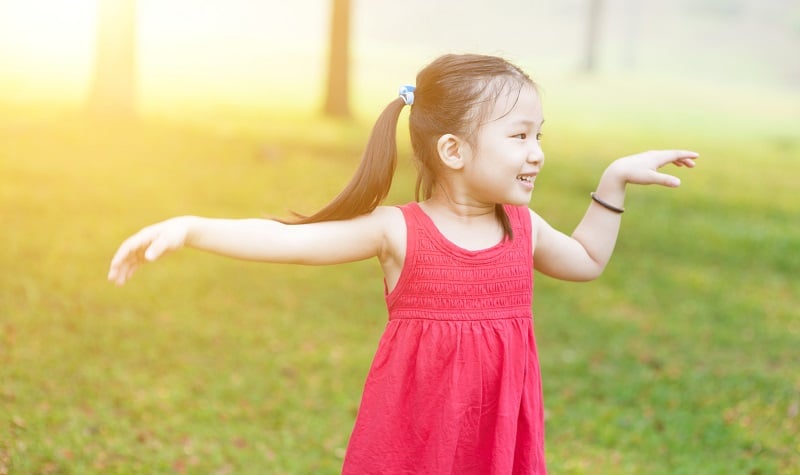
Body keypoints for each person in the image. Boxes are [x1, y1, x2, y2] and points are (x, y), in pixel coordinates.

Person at [108, 53, 697, 474]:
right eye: (519, 136)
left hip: (496, 446)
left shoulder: (523, 228)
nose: (537, 153)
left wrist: (612, 182)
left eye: (539, 134)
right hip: (413, 447)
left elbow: (589, 258)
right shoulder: (400, 231)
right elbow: (290, 242)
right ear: (453, 150)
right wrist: (190, 228)